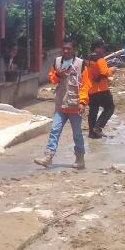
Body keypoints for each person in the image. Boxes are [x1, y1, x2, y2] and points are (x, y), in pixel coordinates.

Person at [34, 36, 90, 169]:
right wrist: (58, 75)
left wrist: (82, 102)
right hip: (60, 104)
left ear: (74, 49)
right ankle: (48, 157)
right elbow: (52, 79)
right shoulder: (57, 62)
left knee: (77, 133)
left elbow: (85, 85)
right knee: (54, 130)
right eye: (63, 48)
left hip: (74, 106)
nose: (65, 51)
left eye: (68, 49)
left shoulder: (81, 64)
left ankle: (80, 158)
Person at [87, 38, 115, 139]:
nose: (104, 50)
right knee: (110, 108)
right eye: (102, 47)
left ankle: (92, 133)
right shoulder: (100, 59)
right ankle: (98, 127)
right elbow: (104, 73)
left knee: (93, 111)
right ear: (97, 48)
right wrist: (111, 70)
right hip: (102, 90)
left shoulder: (87, 59)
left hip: (90, 90)